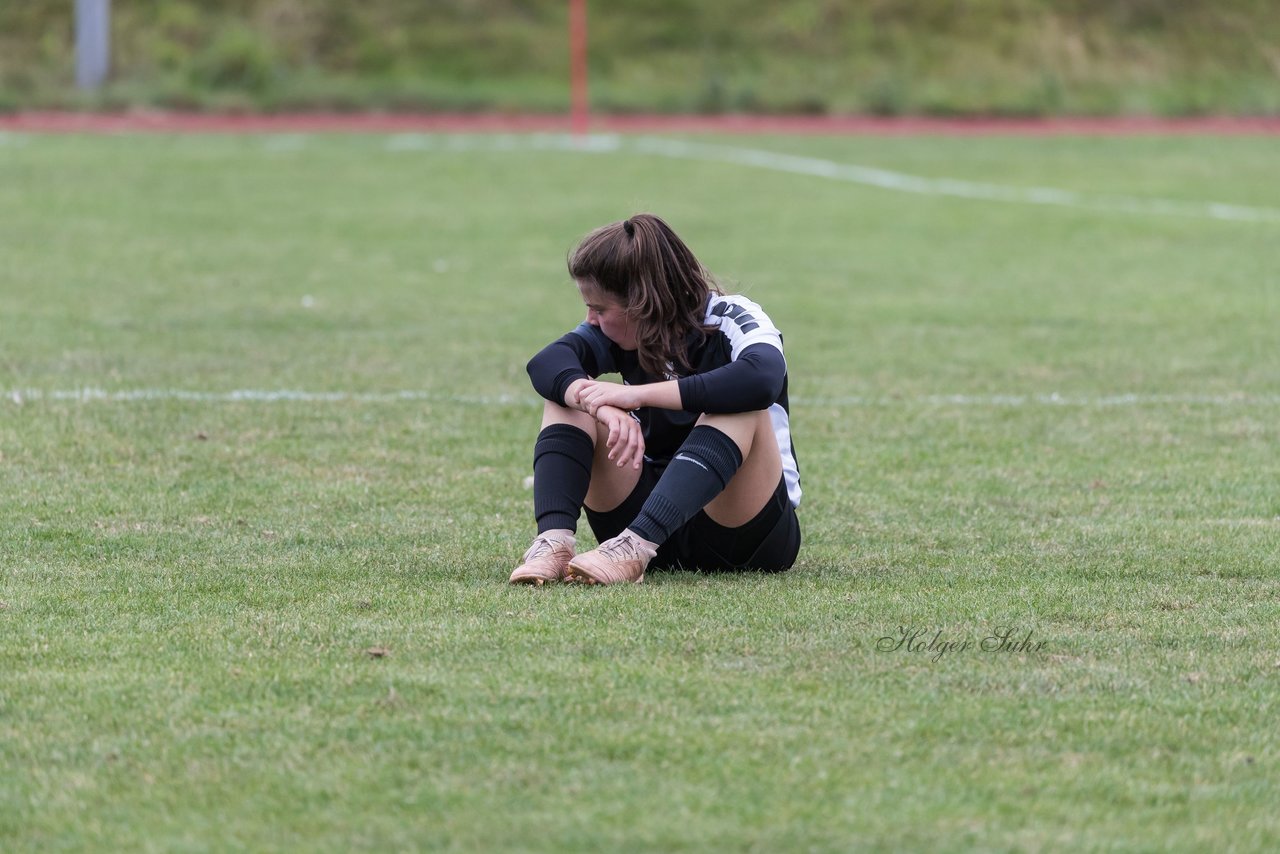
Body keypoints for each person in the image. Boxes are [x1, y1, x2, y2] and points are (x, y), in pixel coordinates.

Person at [509, 213, 801, 585]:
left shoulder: (731, 318)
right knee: (568, 395)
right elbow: (546, 363)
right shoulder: (617, 333)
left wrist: (635, 395)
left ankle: (636, 545)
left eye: (599, 309)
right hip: (642, 530)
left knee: (740, 409)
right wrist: (598, 403)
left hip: (743, 535)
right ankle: (554, 541)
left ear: (643, 304)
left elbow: (762, 379)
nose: (590, 319)